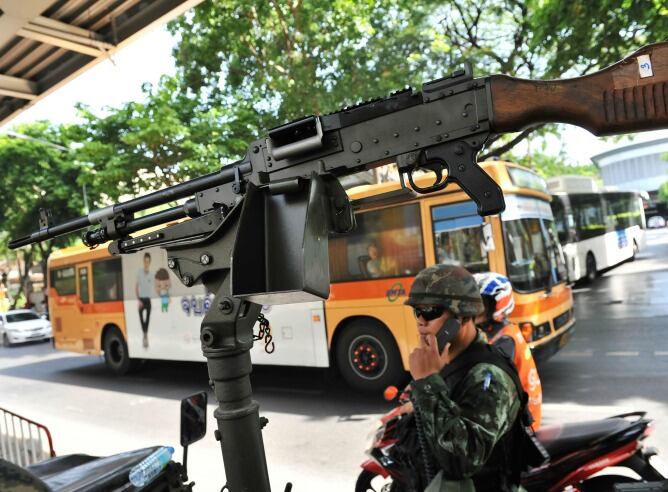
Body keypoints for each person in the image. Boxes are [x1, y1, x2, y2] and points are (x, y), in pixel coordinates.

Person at [406, 264, 526, 492]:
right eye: (417, 311)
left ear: (462, 317)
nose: (421, 320)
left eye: (431, 310)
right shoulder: (445, 361)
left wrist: (427, 384)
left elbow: (461, 461)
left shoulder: (489, 377)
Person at [473, 272, 542, 429]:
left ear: (498, 304)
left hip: (523, 424)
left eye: (481, 304)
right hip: (519, 412)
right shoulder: (501, 332)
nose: (475, 310)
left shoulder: (505, 341)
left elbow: (487, 384)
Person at [135, 252, 153, 349]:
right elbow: (136, 287)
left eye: (148, 261)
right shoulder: (140, 272)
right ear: (143, 261)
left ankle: (145, 334)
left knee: (148, 318)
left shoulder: (151, 274)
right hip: (141, 299)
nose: (146, 263)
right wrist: (138, 300)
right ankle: (144, 334)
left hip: (148, 299)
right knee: (142, 319)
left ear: (149, 262)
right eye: (145, 261)